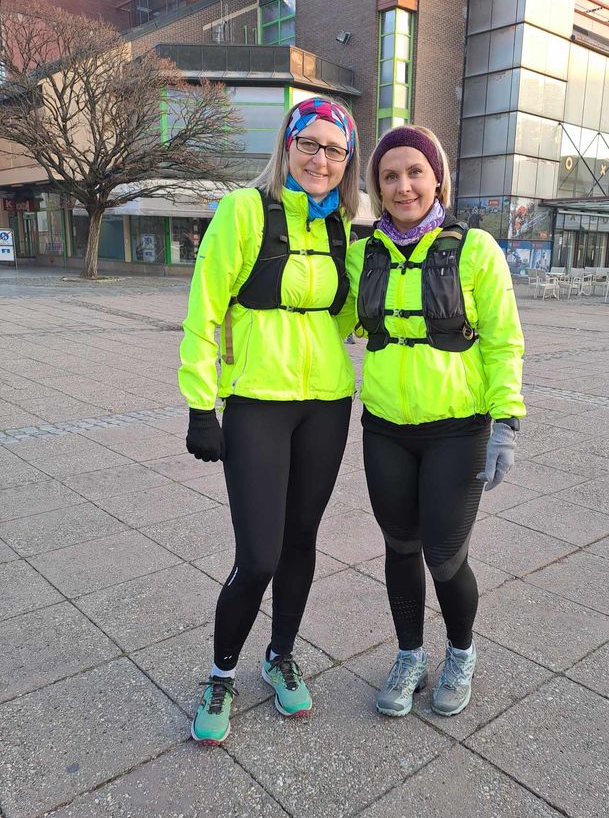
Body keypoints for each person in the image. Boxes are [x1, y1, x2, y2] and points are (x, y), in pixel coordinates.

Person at [178, 96, 360, 743]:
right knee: (258, 555)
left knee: (302, 543)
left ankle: (280, 656)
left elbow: (357, 315)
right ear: (286, 147)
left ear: (347, 161)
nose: (320, 158)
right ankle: (221, 672)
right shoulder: (244, 212)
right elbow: (204, 313)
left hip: (327, 406)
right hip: (256, 403)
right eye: (308, 144)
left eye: (333, 149)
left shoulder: (344, 228)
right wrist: (202, 405)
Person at [345, 125, 525, 718]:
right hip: (386, 428)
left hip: (457, 429)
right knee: (400, 546)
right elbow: (325, 312)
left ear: (437, 177)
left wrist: (506, 423)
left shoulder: (476, 250)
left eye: (415, 172)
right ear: (376, 184)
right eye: (389, 176)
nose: (403, 186)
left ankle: (461, 652)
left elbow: (503, 341)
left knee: (444, 556)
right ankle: (409, 654)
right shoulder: (362, 248)